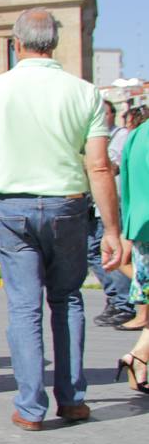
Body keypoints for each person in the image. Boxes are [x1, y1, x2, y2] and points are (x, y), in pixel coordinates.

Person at [0, 8, 123, 431]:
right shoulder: (85, 92)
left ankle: (30, 407)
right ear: (56, 42)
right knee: (67, 300)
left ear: (16, 43)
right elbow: (100, 166)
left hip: (11, 207)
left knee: (24, 307)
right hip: (67, 206)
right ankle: (71, 399)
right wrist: (112, 229)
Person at [90, 100, 135, 326]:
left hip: (112, 204)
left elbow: (109, 166)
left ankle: (125, 302)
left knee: (113, 252)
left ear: (112, 115)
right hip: (93, 204)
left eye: (104, 113)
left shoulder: (121, 136)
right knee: (94, 253)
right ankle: (117, 297)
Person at [115, 113, 149, 392]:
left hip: (140, 225)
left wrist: (126, 230)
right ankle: (139, 357)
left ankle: (139, 357)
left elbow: (125, 184)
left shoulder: (137, 135)